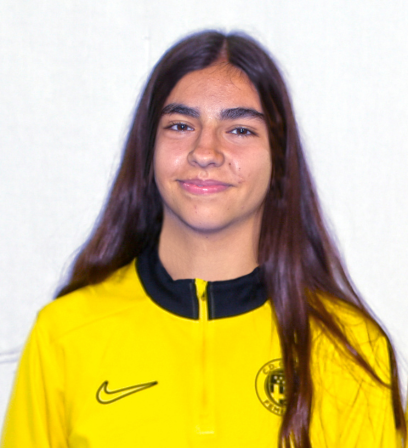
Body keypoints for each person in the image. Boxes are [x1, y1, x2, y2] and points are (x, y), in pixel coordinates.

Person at [1, 30, 405, 448]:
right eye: (180, 126)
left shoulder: (351, 349)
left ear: (279, 159)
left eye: (240, 130)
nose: (205, 151)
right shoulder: (65, 334)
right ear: (148, 150)